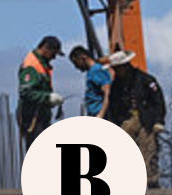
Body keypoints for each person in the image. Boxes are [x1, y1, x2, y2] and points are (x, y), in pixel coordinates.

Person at [104, 51, 166, 187]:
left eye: (117, 68)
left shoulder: (146, 80)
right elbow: (113, 105)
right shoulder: (117, 85)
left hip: (146, 120)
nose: (115, 71)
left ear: (124, 66)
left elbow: (158, 101)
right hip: (126, 120)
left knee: (148, 149)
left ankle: (149, 182)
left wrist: (158, 120)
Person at [17, 35, 65, 149]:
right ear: (46, 48)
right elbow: (25, 92)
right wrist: (48, 97)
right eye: (53, 54)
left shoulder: (42, 64)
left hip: (41, 117)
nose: (54, 58)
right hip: (32, 118)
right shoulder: (32, 66)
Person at [69, 46, 112, 119]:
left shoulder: (97, 71)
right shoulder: (91, 72)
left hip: (101, 115)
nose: (76, 67)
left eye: (76, 63)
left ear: (83, 58)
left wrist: (101, 114)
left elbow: (108, 93)